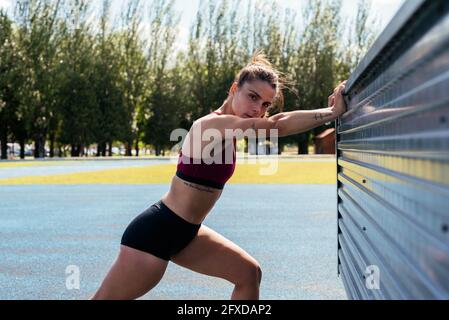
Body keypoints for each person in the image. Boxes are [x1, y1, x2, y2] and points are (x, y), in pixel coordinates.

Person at [91, 51, 347, 300]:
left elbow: (276, 121)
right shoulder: (211, 124)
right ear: (234, 89)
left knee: (248, 273)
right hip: (155, 233)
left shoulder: (233, 129)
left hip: (188, 232)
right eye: (252, 97)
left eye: (265, 103)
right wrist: (331, 113)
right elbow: (276, 125)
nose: (258, 108)